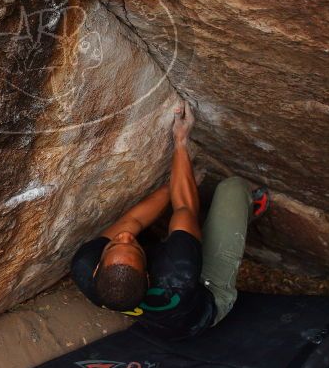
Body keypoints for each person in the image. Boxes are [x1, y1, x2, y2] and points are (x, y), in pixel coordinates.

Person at [71, 102, 270, 340]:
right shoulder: (178, 271)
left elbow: (133, 219)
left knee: (183, 232)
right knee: (233, 188)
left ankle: (196, 233)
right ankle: (246, 208)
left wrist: (174, 182)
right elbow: (185, 206)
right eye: (133, 245)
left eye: (114, 244)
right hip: (208, 297)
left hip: (163, 318)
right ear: (146, 275)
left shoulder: (86, 270)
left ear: (96, 270)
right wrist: (180, 141)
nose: (124, 237)